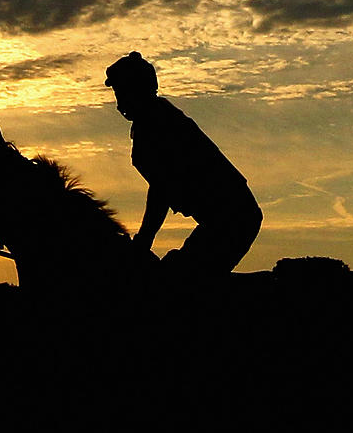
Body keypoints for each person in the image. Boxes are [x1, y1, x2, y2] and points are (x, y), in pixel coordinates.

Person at [104, 51, 262, 275]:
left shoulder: (157, 124)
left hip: (232, 220)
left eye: (121, 90)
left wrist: (144, 239)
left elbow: (161, 190)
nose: (118, 99)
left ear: (136, 89)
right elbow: (160, 187)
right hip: (224, 220)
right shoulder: (153, 120)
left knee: (179, 281)